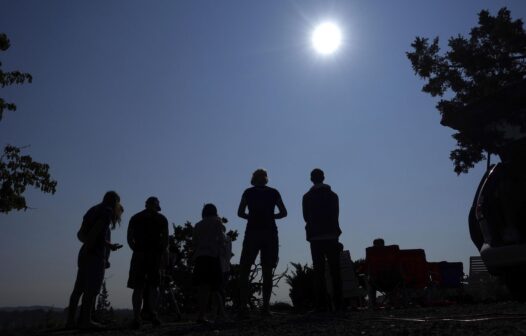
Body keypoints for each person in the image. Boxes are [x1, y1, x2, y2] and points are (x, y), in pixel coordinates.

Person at [66, 191, 123, 329]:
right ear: (115, 201)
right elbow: (95, 234)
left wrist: (90, 247)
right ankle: (86, 321)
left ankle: (70, 322)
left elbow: (81, 234)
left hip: (85, 253)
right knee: (91, 291)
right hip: (94, 256)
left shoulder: (93, 209)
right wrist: (103, 248)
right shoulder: (106, 212)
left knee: (78, 289)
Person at [237, 169, 287, 317]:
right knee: (267, 271)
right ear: (266, 179)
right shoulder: (274, 192)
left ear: (254, 179)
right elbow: (283, 212)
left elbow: (240, 212)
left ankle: (243, 307)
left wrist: (252, 217)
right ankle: (265, 308)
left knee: (245, 270)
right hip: (270, 233)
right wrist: (271, 216)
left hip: (252, 232)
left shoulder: (248, 192)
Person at [302, 168, 342, 312]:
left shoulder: (307, 197)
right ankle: (339, 304)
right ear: (323, 177)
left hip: (315, 237)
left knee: (318, 271)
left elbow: (306, 216)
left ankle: (321, 305)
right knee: (335, 270)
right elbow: (336, 213)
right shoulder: (333, 195)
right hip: (332, 235)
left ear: (311, 179)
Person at [127, 197, 169, 329]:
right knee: (153, 286)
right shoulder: (162, 219)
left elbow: (129, 238)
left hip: (140, 254)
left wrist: (137, 249)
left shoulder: (135, 217)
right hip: (154, 255)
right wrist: (162, 255)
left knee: (138, 287)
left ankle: (136, 317)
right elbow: (165, 240)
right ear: (157, 206)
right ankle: (153, 314)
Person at [192, 203, 226, 323]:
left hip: (200, 257)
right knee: (216, 287)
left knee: (202, 287)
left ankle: (201, 315)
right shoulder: (217, 222)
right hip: (212, 257)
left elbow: (194, 242)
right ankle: (219, 314)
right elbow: (222, 240)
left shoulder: (198, 225)